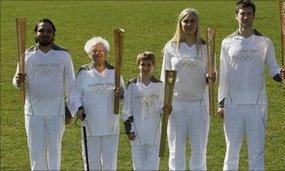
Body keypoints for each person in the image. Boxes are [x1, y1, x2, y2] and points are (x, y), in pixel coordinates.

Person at [217, 0, 285, 170]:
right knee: (231, 151)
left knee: (256, 152)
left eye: (249, 13)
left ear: (254, 16)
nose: (246, 17)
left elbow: (273, 69)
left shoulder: (264, 41)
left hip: (257, 105)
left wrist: (282, 74)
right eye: (242, 13)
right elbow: (224, 74)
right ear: (236, 16)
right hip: (233, 104)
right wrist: (221, 103)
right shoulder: (226, 42)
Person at [12, 18, 75, 170]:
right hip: (33, 113)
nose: (45, 34)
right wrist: (18, 80)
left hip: (56, 112)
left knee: (54, 152)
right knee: (36, 152)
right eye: (41, 31)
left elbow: (72, 84)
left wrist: (70, 109)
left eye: (48, 31)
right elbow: (15, 81)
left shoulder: (63, 55)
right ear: (36, 34)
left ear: (53, 34)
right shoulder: (26, 55)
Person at [161, 8, 216, 170]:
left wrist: (211, 78)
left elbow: (212, 75)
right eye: (185, 21)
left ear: (197, 23)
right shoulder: (171, 47)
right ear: (180, 23)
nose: (189, 24)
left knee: (199, 150)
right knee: (176, 150)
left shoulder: (206, 47)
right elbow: (164, 77)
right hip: (176, 106)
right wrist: (165, 103)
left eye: (192, 21)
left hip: (199, 105)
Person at [69, 36, 125, 170]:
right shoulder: (84, 72)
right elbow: (75, 95)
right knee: (91, 161)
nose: (98, 53)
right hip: (90, 124)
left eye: (101, 50)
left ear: (106, 53)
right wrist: (79, 109)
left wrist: (121, 94)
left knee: (109, 162)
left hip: (110, 124)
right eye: (94, 51)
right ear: (90, 54)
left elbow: (125, 96)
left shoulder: (115, 72)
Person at [122, 51, 172, 170]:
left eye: (148, 64)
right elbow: (126, 109)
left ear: (153, 66)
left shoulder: (160, 85)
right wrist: (128, 129)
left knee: (152, 165)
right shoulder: (132, 85)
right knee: (138, 165)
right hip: (136, 132)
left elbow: (162, 109)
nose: (145, 67)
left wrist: (166, 111)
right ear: (138, 65)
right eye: (142, 64)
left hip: (154, 132)